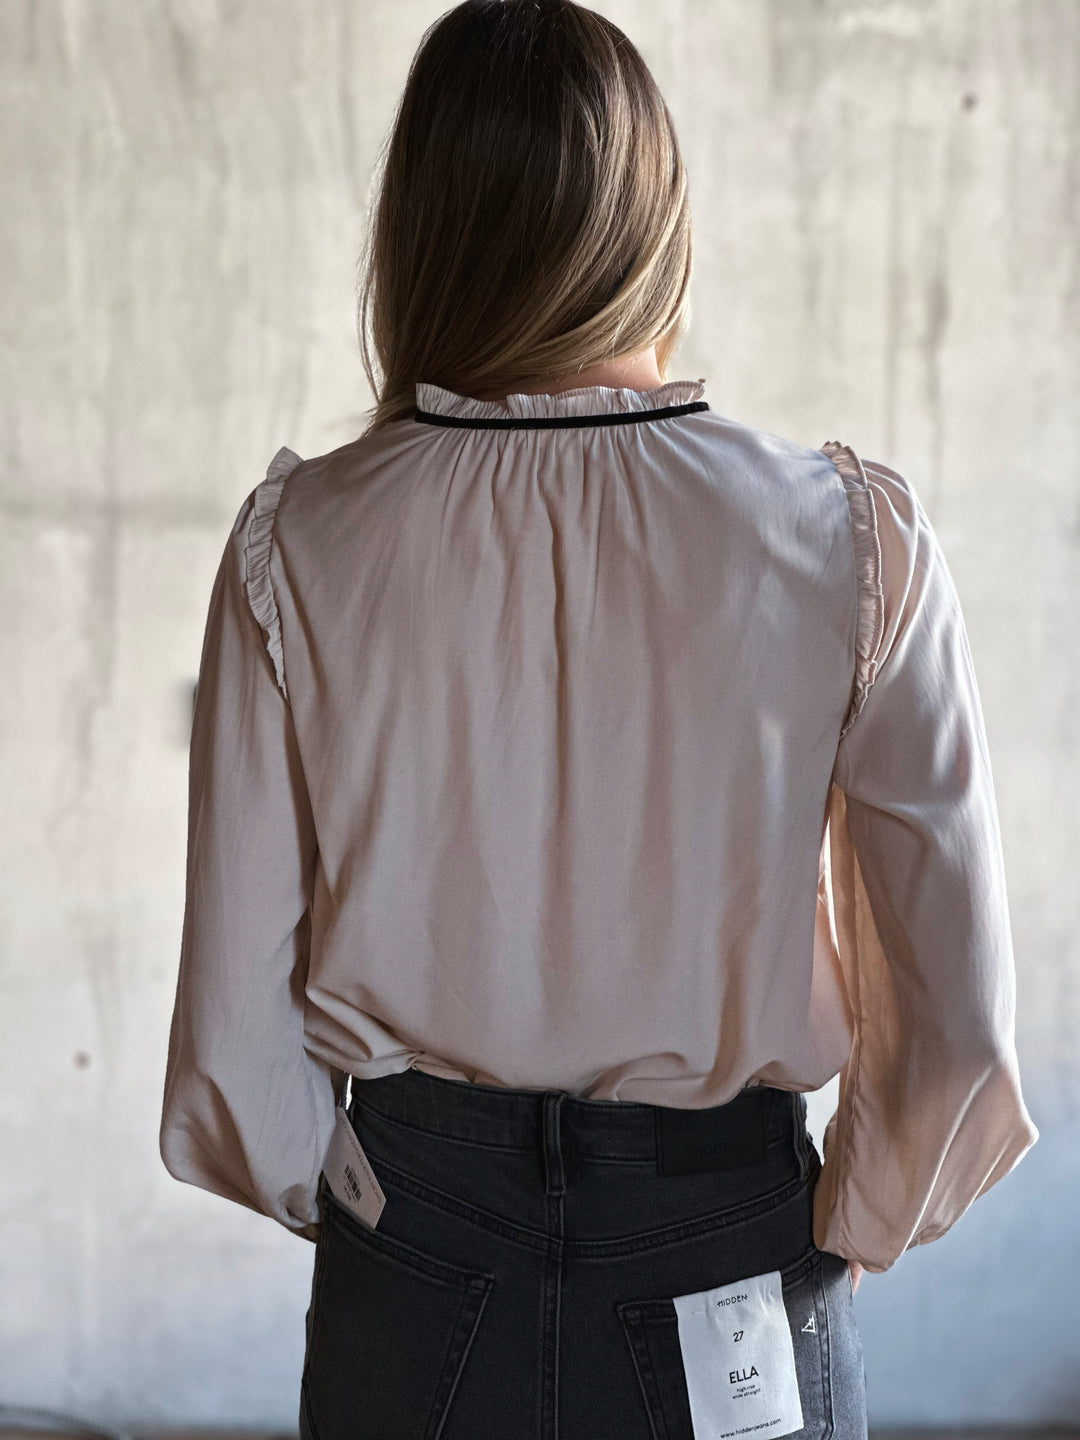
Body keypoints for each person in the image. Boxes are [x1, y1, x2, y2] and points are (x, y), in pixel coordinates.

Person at [158, 3, 1039, 1437]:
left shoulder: (299, 546)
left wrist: (394, 1216)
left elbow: (231, 1047)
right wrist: (838, 1220)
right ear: (653, 222)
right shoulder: (846, 543)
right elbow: (955, 1030)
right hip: (731, 1246)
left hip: (419, 1257)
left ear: (423, 229)